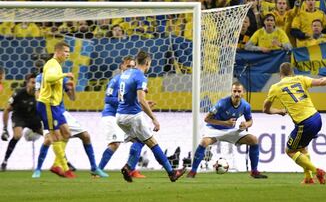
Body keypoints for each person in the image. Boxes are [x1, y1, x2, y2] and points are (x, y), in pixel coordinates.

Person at [263, 62, 326, 184]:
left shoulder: (275, 87)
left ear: (280, 74)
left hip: (304, 123)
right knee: (302, 147)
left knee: (290, 151)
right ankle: (308, 178)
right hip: (317, 117)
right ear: (292, 72)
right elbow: (321, 81)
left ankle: (316, 171)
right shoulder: (300, 79)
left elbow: (265, 109)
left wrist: (279, 111)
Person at [116, 50, 186, 183]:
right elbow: (141, 100)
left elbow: (123, 95)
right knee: (152, 143)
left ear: (136, 62)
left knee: (140, 141)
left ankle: (129, 167)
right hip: (133, 117)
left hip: (120, 116)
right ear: (147, 63)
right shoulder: (141, 77)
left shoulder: (125, 74)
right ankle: (172, 173)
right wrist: (154, 118)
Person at [32, 71, 108, 178]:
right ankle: (38, 170)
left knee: (85, 136)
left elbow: (72, 98)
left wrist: (73, 87)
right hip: (47, 111)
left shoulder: (61, 77)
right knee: (49, 139)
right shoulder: (40, 78)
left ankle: (93, 167)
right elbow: (37, 96)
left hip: (61, 112)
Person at [187, 82, 268, 179]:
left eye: (239, 91)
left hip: (231, 130)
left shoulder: (246, 106)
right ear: (231, 92)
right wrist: (225, 123)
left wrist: (246, 124)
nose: (237, 94)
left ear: (243, 93)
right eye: (234, 91)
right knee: (204, 142)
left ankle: (254, 171)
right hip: (214, 129)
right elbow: (207, 119)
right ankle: (193, 171)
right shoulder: (221, 104)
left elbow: (250, 121)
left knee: (254, 140)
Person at [98, 56, 146, 178]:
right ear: (121, 66)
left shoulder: (131, 81)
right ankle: (97, 171)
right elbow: (107, 98)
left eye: (132, 66)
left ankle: (131, 169)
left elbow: (130, 100)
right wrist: (122, 100)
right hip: (112, 116)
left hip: (123, 117)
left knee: (140, 140)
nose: (130, 68)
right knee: (115, 143)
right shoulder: (116, 80)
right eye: (128, 66)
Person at [36, 41, 75, 178]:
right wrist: (65, 75)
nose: (67, 55)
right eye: (65, 51)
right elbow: (49, 77)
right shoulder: (52, 64)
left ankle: (56, 165)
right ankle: (64, 168)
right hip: (47, 104)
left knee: (67, 133)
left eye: (69, 52)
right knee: (56, 136)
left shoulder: (57, 65)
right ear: (57, 51)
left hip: (56, 106)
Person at [1, 73, 42, 171]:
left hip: (33, 117)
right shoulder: (19, 94)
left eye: (37, 83)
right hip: (19, 117)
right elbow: (7, 110)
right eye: (32, 83)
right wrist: (5, 128)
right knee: (17, 135)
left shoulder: (40, 95)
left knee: (51, 136)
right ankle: (5, 161)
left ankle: (63, 161)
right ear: (27, 83)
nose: (35, 85)